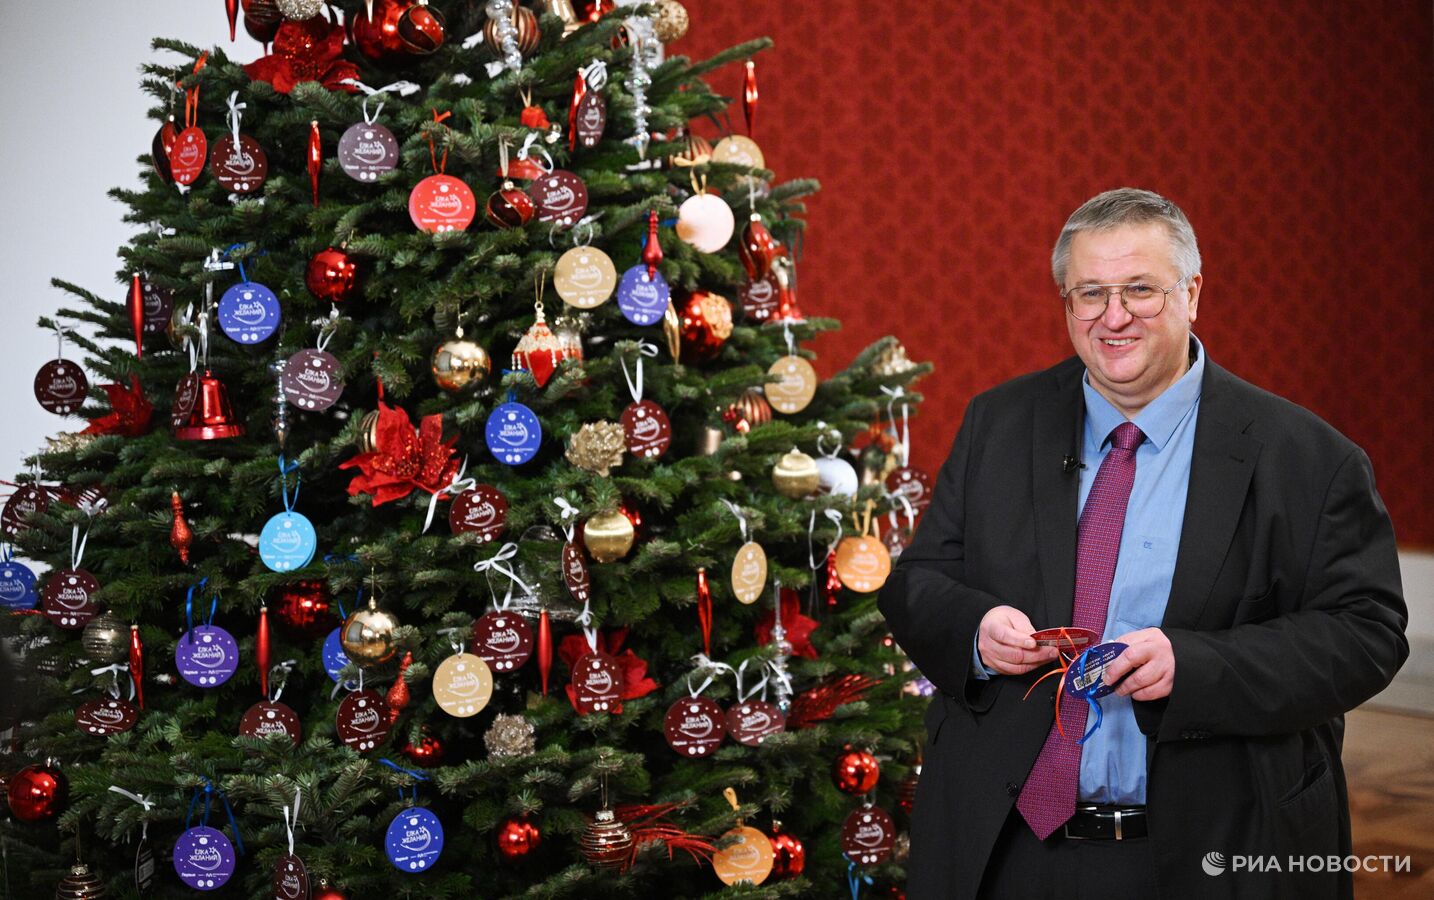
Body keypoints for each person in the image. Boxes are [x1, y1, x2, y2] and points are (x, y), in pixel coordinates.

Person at [878, 188, 1407, 899]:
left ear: (1192, 293)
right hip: (1002, 846)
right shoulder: (997, 423)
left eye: (1139, 290)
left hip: (1212, 849)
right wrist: (976, 631)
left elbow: (1367, 633)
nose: (1114, 316)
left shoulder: (1309, 458)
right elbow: (918, 582)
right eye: (1090, 293)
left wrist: (1197, 666)